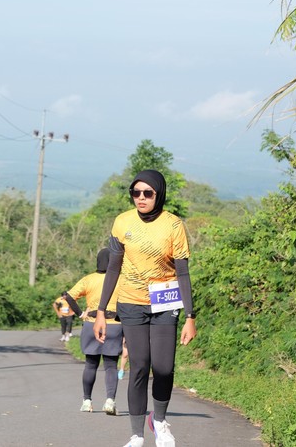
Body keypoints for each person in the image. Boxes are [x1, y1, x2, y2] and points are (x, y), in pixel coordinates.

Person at [93, 169, 197, 447]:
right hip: (131, 302)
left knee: (163, 367)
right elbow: (113, 268)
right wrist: (101, 311)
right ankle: (137, 435)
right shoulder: (122, 222)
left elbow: (183, 272)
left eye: (147, 193)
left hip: (165, 302)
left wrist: (190, 316)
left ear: (158, 194)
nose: (141, 198)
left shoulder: (173, 225)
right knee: (139, 366)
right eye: (135, 192)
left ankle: (158, 420)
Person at [65, 248, 123, 415]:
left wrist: (80, 314)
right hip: (114, 324)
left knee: (91, 364)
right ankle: (110, 400)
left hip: (92, 323)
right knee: (111, 365)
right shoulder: (120, 279)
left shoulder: (88, 279)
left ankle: (87, 401)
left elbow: (69, 297)